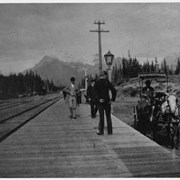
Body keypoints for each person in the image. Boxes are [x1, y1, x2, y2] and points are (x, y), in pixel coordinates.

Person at [94, 71, 117, 135]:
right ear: (105, 76)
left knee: (101, 116)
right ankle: (110, 131)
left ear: (100, 75)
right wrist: (112, 99)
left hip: (100, 102)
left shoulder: (97, 82)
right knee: (108, 116)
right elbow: (114, 90)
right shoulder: (107, 82)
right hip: (107, 101)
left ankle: (101, 131)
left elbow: (95, 92)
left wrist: (99, 99)